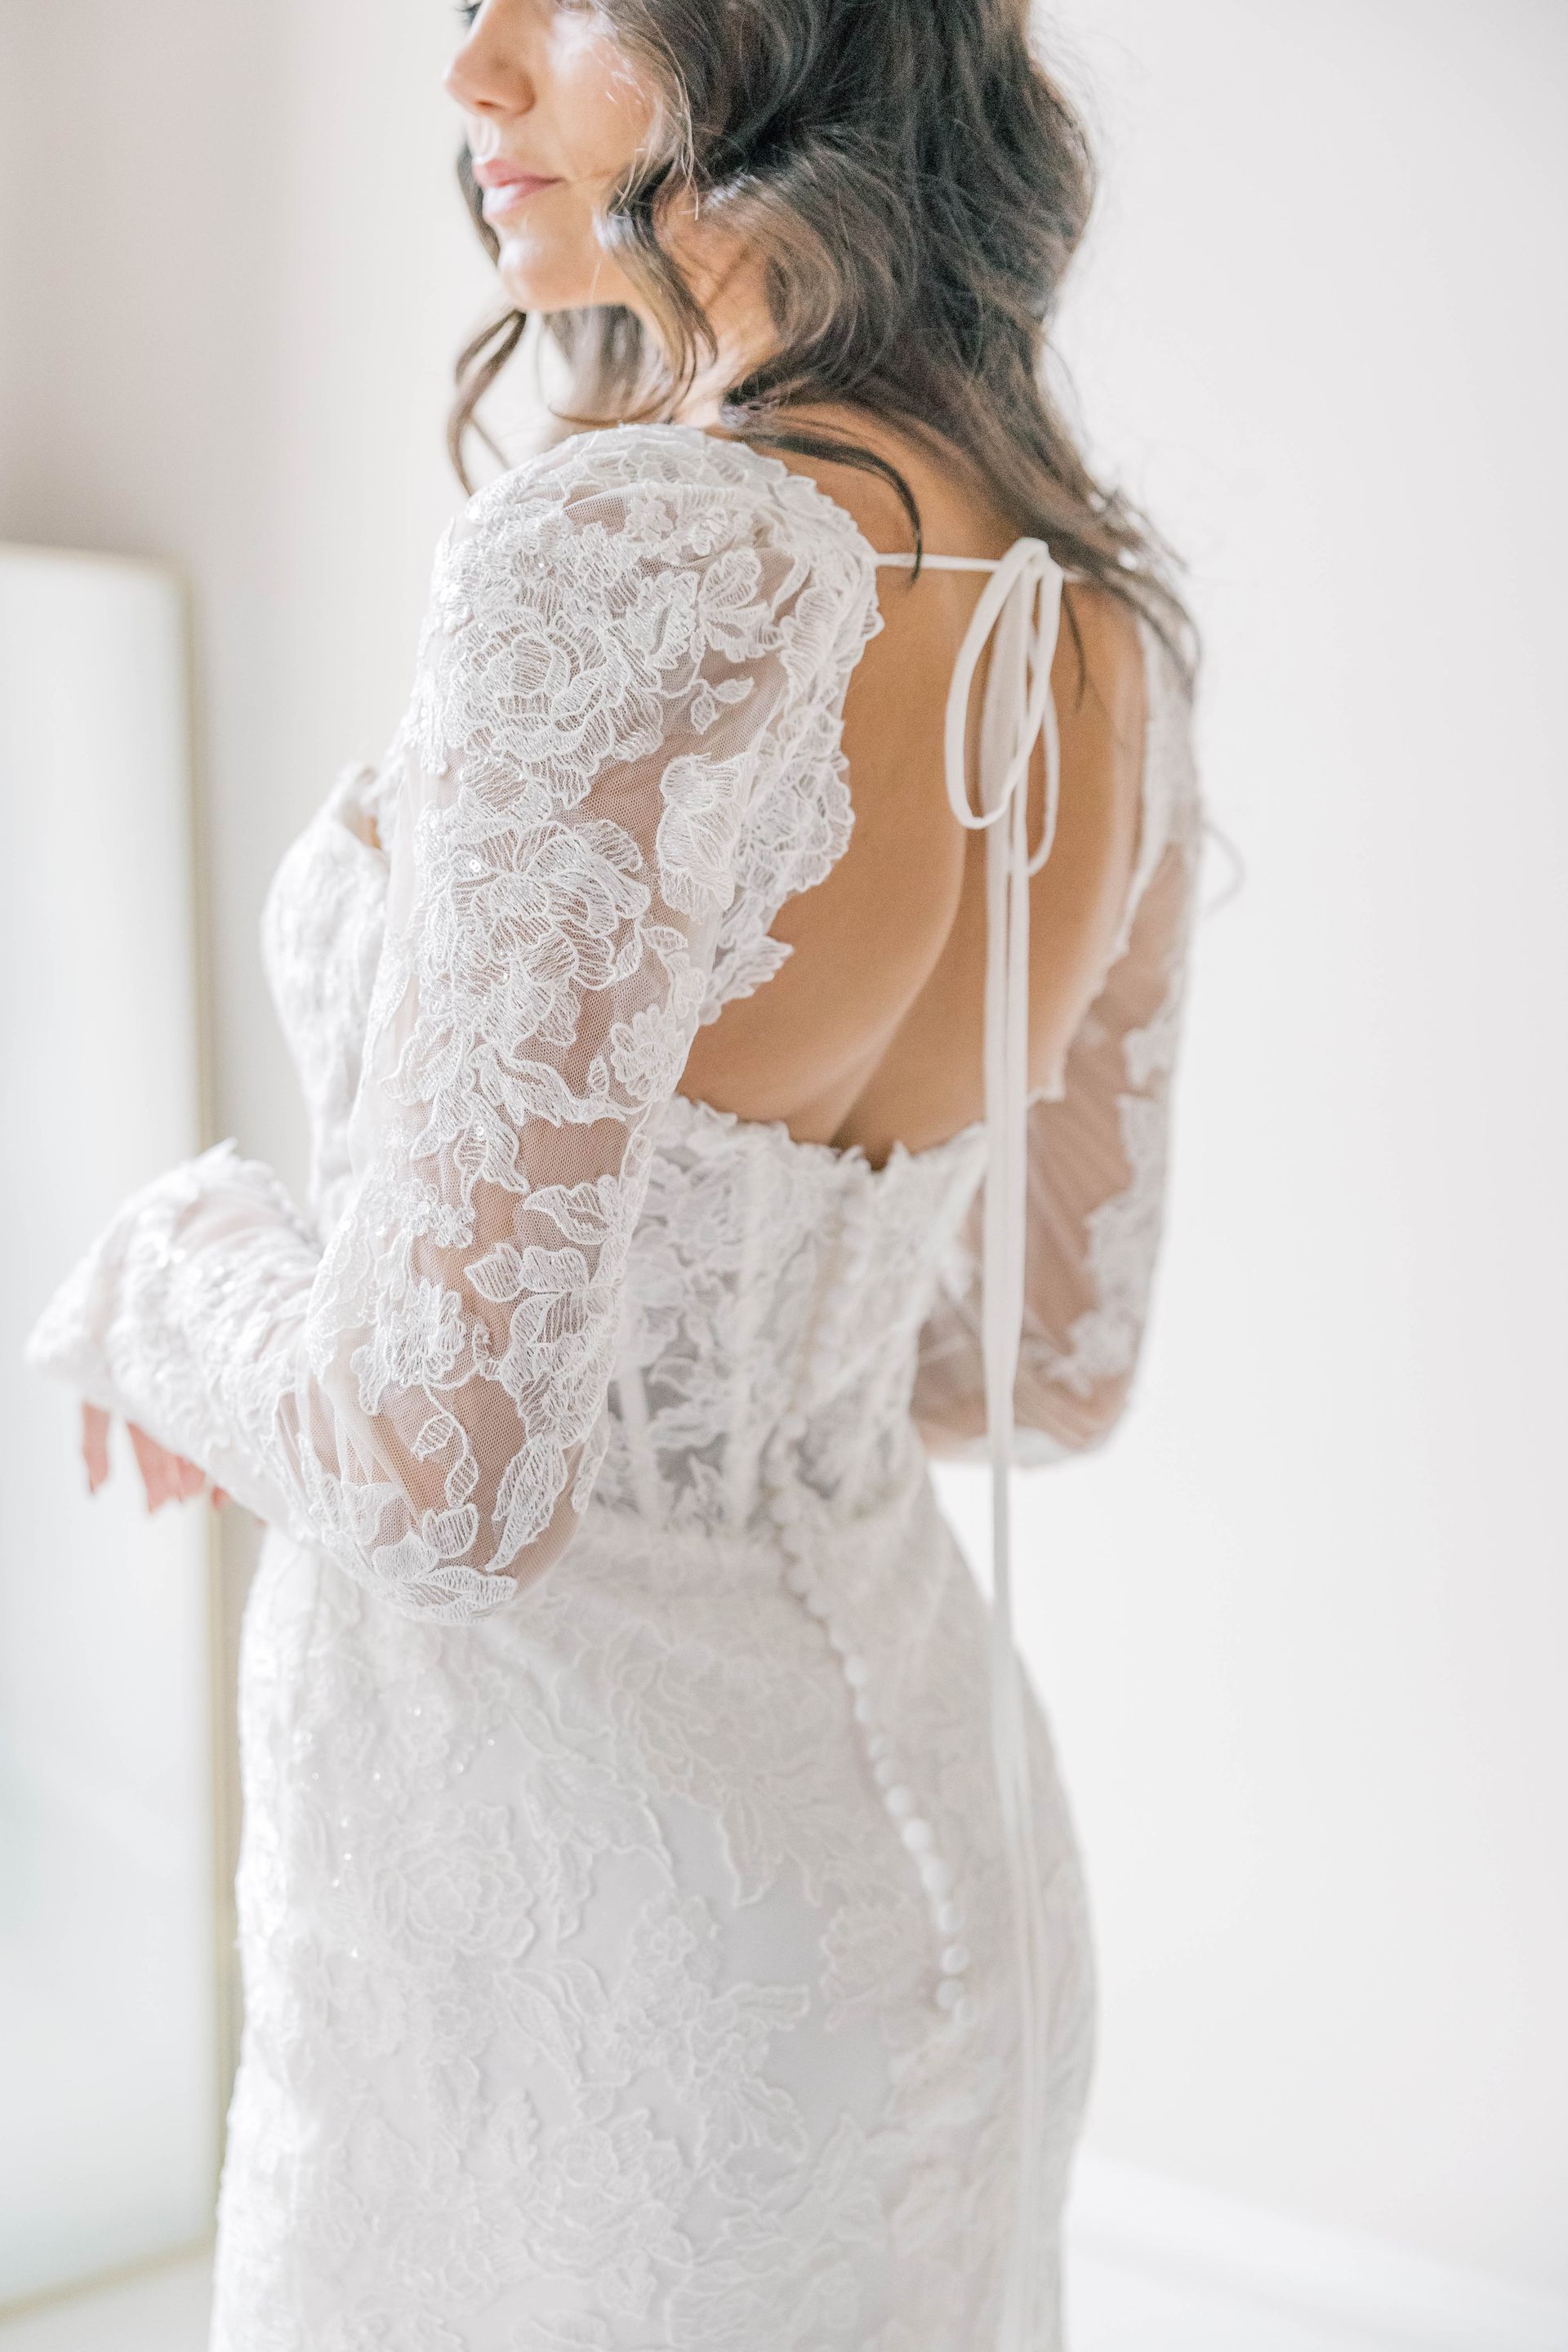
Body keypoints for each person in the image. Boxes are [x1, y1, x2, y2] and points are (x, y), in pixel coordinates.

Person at [24, 1, 1201, 2344]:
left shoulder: (636, 548)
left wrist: (166, 1266)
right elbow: (1040, 1365)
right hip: (939, 1877)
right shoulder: (1093, 623)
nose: (464, 76)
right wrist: (736, 1352)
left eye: (544, 2)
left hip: (571, 1938)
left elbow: (443, 1468)